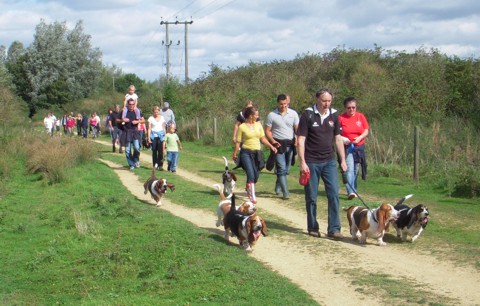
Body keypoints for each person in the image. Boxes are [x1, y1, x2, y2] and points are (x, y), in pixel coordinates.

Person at [296, 88, 347, 239]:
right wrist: (302, 162)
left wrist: (343, 160)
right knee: (311, 196)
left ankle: (334, 228)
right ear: (317, 99)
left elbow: (338, 138)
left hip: (329, 161)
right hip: (311, 161)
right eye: (324, 100)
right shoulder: (307, 114)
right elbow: (301, 140)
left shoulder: (334, 114)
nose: (326, 104)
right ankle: (312, 226)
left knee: (333, 194)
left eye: (329, 101)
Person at [232, 106, 277, 204]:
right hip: (246, 153)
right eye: (256, 115)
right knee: (251, 174)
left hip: (257, 153)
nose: (257, 116)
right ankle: (253, 196)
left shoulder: (258, 125)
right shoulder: (242, 127)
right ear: (251, 116)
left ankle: (248, 187)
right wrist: (235, 153)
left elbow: (263, 138)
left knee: (256, 175)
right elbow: (238, 142)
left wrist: (271, 146)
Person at [265, 94, 299, 199]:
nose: (283, 106)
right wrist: (273, 141)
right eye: (281, 104)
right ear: (277, 103)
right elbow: (267, 131)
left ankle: (278, 187)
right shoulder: (271, 115)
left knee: (286, 169)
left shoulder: (293, 114)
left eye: (285, 104)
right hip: (278, 145)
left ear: (287, 103)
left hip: (290, 144)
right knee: (281, 168)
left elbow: (297, 128)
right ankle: (286, 193)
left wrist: (297, 138)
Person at [338, 97, 369, 200]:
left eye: (353, 107)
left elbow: (366, 130)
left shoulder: (361, 117)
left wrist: (360, 137)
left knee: (356, 170)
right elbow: (336, 134)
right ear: (345, 108)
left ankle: (354, 190)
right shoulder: (341, 118)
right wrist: (344, 139)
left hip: (359, 147)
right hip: (347, 147)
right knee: (349, 169)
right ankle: (350, 191)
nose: (351, 110)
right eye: (349, 108)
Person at [119, 98, 145, 170]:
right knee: (127, 150)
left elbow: (143, 120)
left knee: (137, 148)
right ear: (128, 104)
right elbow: (117, 120)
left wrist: (137, 122)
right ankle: (131, 165)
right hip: (126, 132)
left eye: (132, 104)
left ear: (134, 104)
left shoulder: (137, 111)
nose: (131, 105)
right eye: (130, 104)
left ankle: (136, 160)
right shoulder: (124, 111)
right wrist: (122, 120)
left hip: (135, 132)